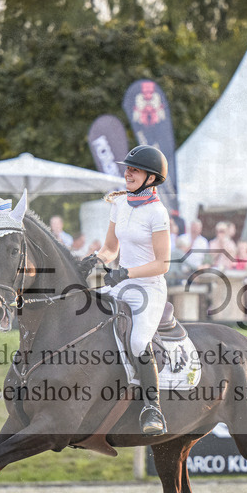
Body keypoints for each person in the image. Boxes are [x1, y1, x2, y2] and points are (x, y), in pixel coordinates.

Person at [83, 145, 171, 436]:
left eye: (134, 170)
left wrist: (126, 272)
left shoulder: (157, 212)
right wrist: (96, 259)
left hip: (149, 288)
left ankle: (152, 408)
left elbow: (162, 264)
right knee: (86, 315)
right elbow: (111, 248)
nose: (128, 173)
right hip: (121, 282)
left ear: (151, 178)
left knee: (137, 342)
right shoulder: (119, 203)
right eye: (127, 168)